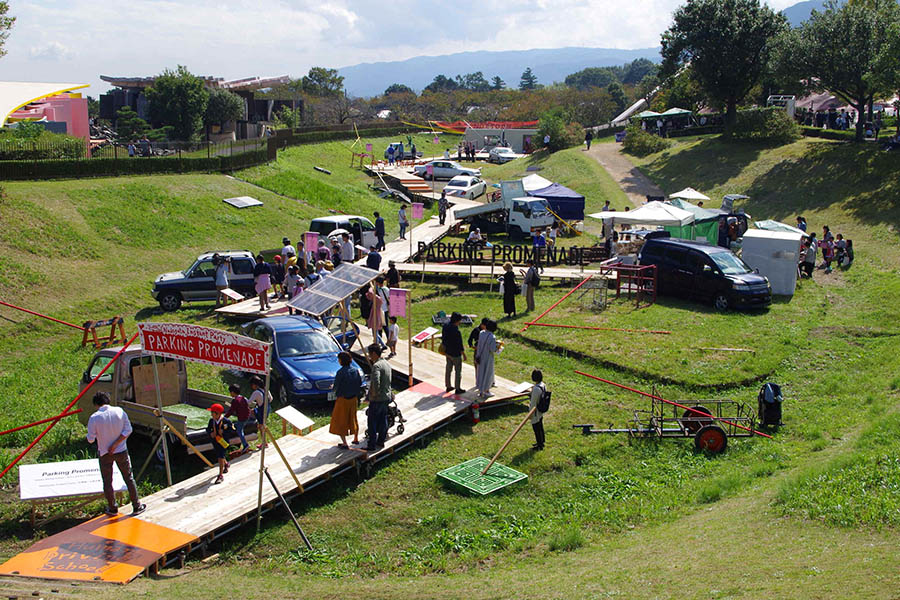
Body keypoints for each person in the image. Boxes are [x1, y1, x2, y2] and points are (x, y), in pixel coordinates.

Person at [86, 392, 144, 516]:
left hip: (104, 453)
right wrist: (115, 444)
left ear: (96, 404)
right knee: (128, 478)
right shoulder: (119, 411)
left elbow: (90, 439)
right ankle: (136, 505)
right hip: (121, 450)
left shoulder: (94, 418)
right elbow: (128, 430)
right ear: (108, 400)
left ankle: (112, 508)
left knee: (107, 482)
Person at [330, 351, 361, 448]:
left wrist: (332, 387)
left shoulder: (340, 372)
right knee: (353, 418)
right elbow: (359, 382)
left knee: (340, 420)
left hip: (343, 399)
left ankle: (345, 443)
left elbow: (335, 387)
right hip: (354, 399)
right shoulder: (355, 370)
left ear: (341, 361)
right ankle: (356, 438)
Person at [365, 343, 392, 451]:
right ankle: (381, 441)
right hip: (386, 396)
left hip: (378, 399)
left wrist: (373, 395)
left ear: (375, 354)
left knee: (372, 422)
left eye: (370, 354)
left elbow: (376, 382)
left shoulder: (376, 366)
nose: (370, 357)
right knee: (383, 420)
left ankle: (371, 444)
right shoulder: (386, 364)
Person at [207, 403, 234, 484]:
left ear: (218, 414)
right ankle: (226, 464)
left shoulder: (226, 421)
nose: (211, 414)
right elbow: (208, 429)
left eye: (212, 413)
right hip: (215, 441)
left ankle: (220, 475)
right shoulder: (212, 421)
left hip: (223, 441)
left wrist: (224, 432)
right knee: (219, 454)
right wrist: (211, 433)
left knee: (220, 456)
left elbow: (232, 430)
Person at [442, 312, 466, 394]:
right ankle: (457, 388)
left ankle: (448, 386)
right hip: (456, 354)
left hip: (447, 351)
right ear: (457, 321)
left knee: (448, 369)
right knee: (458, 371)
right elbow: (460, 345)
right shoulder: (456, 332)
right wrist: (464, 354)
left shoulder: (445, 326)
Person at [224, 383, 252, 454]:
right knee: (238, 425)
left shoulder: (235, 401)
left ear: (233, 392)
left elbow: (231, 411)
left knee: (240, 431)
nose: (230, 394)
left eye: (230, 392)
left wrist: (224, 417)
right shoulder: (243, 398)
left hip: (242, 418)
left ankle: (245, 445)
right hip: (247, 416)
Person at [474, 319, 497, 398]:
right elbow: (492, 349)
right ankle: (486, 390)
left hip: (480, 355)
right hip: (488, 357)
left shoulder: (481, 333)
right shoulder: (492, 337)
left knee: (480, 372)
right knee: (488, 373)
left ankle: (480, 390)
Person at [248, 376, 271, 449]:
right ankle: (265, 442)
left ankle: (264, 443)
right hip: (267, 408)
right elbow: (271, 399)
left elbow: (249, 402)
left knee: (261, 427)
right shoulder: (265, 389)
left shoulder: (256, 392)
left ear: (254, 385)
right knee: (261, 425)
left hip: (261, 411)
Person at [529, 369, 547, 450]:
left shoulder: (536, 389)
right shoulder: (543, 385)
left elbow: (533, 403)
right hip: (540, 410)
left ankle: (539, 445)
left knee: (536, 428)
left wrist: (530, 414)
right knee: (540, 426)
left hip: (535, 412)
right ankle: (542, 441)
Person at [366, 282, 385, 347]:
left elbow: (370, 293)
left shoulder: (377, 299)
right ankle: (382, 344)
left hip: (376, 315)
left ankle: (377, 344)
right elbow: (369, 295)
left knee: (375, 331)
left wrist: (371, 286)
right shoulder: (377, 299)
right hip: (376, 314)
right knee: (375, 331)